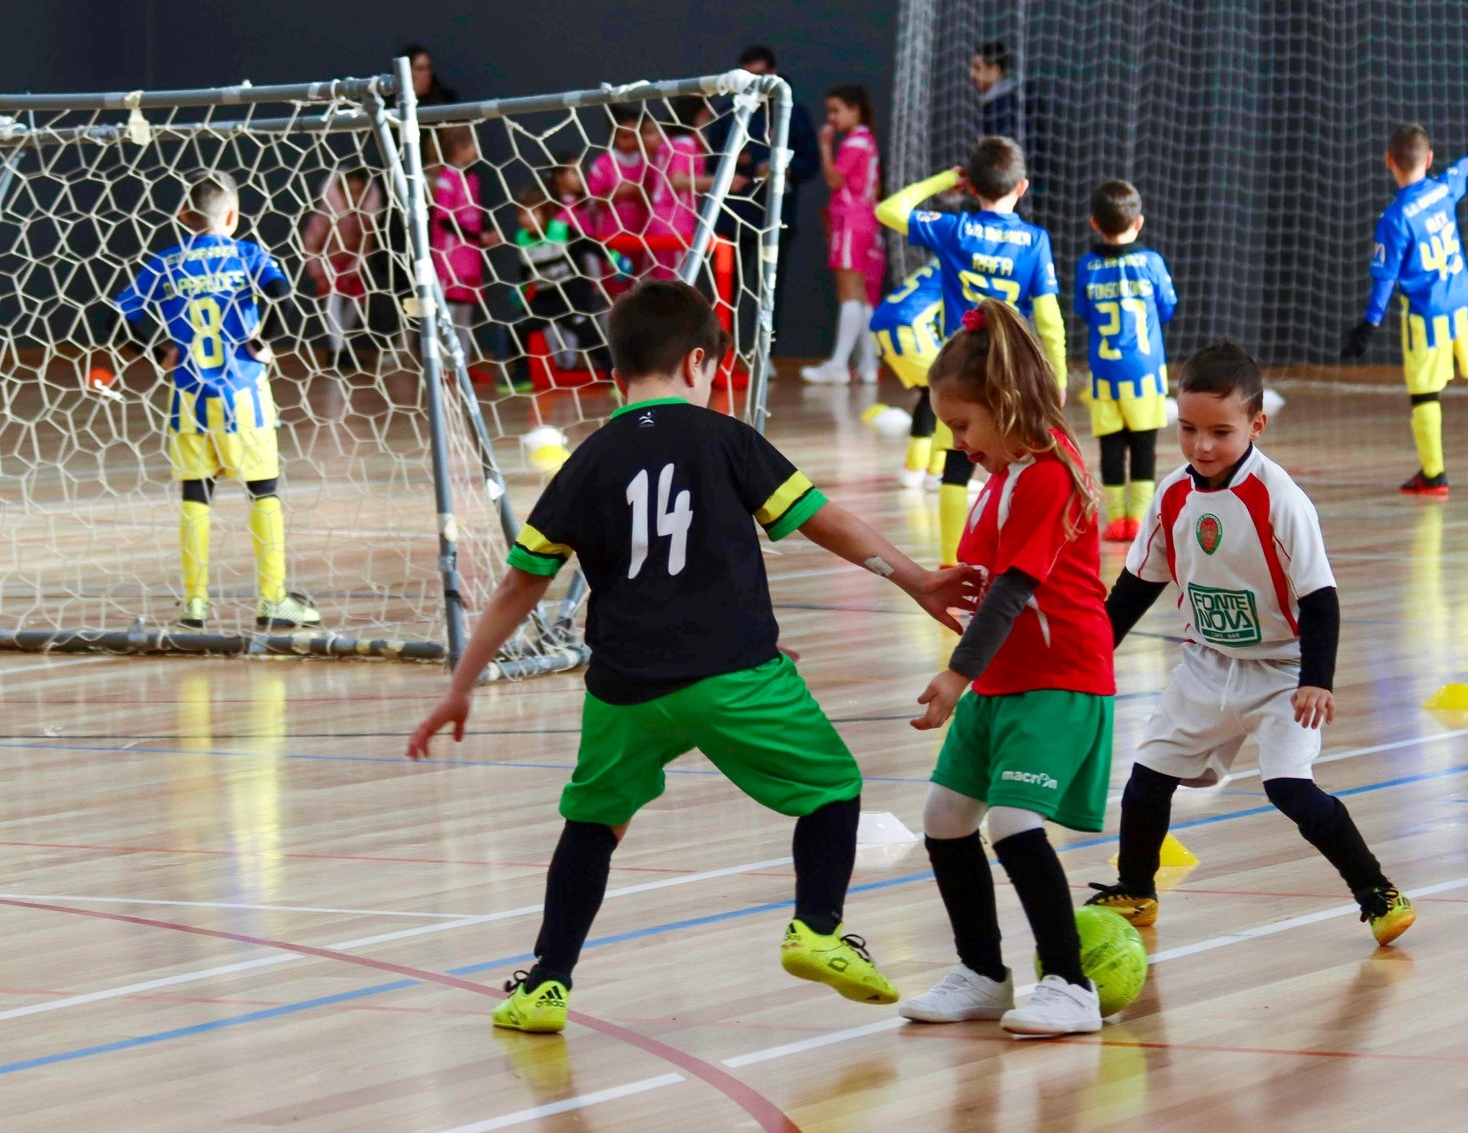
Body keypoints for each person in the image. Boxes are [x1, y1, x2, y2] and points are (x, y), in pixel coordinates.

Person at [405, 280, 978, 1034]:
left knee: (593, 822)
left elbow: (519, 585)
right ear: (701, 363)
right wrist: (914, 581)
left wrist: (460, 685)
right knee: (832, 789)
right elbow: (825, 522)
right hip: (735, 673)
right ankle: (814, 927)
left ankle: (545, 982)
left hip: (625, 688)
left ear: (616, 373)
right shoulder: (725, 439)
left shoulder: (588, 459)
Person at [1085, 343, 1416, 945]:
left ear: (1256, 425)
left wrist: (1317, 677)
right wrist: (1093, 653)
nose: (1201, 446)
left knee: (1289, 788)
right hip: (1205, 665)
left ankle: (1377, 891)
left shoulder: (1280, 499)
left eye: (1220, 431)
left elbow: (1319, 597)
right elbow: (1137, 584)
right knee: (1146, 778)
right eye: (1188, 430)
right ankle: (1137, 889)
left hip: (1284, 671)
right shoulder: (1171, 495)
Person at [899, 298, 1114, 1038]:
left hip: (1058, 678)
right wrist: (957, 578)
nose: (955, 443)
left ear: (1004, 403)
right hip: (1000, 679)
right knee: (945, 817)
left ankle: (1069, 984)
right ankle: (984, 973)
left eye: (961, 425)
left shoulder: (1051, 470)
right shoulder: (1002, 476)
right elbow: (993, 573)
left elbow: (1019, 588)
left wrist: (955, 673)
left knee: (1014, 821)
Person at [111, 171, 318, 632]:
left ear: (185, 217)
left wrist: (158, 349)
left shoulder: (165, 262)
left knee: (194, 495)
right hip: (244, 394)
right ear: (233, 214)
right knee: (262, 491)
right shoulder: (248, 255)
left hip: (188, 398)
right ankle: (272, 601)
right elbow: (283, 296)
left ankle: (195, 605)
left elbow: (114, 313)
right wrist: (267, 341)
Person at [877, 136, 1067, 568]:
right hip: (1010, 367)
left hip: (960, 366)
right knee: (1015, 465)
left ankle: (951, 562)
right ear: (1022, 188)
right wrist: (1054, 375)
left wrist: (947, 178)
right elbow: (1050, 319)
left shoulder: (954, 229)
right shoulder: (1035, 240)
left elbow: (888, 209)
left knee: (956, 469)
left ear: (972, 187)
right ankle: (1016, 558)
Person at [1341, 123, 1468, 497]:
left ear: (1388, 162)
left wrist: (1368, 325)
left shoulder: (1394, 220)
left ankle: (1434, 475)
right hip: (1463, 305)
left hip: (1426, 319)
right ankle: (1432, 475)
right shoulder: (1444, 188)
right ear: (1428, 160)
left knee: (1425, 395)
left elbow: (1385, 280)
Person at [1072, 180, 1177, 542]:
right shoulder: (1151, 262)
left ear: (1094, 223)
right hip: (1145, 373)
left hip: (1104, 376)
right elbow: (1167, 307)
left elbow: (1083, 312)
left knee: (1111, 447)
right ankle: (1141, 520)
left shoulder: (1087, 266)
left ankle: (1116, 521)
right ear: (1139, 222)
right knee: (1144, 446)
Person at [703, 45, 820, 343]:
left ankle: (763, 354)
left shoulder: (793, 113)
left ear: (773, 73)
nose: (754, 83)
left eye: (759, 75)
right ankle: (725, 351)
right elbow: (709, 163)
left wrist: (782, 169)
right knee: (727, 288)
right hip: (733, 220)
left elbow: (810, 162)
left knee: (769, 291)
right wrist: (734, 166)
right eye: (747, 77)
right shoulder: (728, 113)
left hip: (775, 218)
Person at [802, 85, 885, 386]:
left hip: (851, 220)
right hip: (865, 220)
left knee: (848, 292)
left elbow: (835, 179)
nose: (832, 118)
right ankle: (867, 364)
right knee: (861, 296)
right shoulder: (868, 141)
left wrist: (824, 146)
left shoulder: (855, 142)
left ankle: (838, 364)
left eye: (836, 110)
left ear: (855, 109)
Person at [504, 185, 612, 377]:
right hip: (546, 297)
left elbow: (590, 245)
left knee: (588, 334)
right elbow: (526, 270)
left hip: (572, 294)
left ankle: (613, 372)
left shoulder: (562, 231)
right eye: (521, 214)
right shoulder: (521, 238)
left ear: (545, 213)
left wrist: (615, 259)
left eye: (532, 213)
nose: (525, 219)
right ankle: (521, 375)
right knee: (517, 327)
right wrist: (520, 289)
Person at [870, 261, 947, 490]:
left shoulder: (943, 257)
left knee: (932, 395)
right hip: (909, 326)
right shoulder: (965, 261)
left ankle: (915, 469)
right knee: (952, 395)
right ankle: (937, 473)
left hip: (884, 322)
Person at [429, 126, 501, 370]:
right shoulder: (447, 179)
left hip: (470, 257)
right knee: (447, 312)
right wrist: (478, 236)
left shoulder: (471, 179)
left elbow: (475, 216)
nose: (477, 150)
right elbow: (444, 220)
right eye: (473, 144)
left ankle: (462, 365)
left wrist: (485, 236)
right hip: (450, 258)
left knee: (466, 315)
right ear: (460, 148)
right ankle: (441, 364)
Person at [300, 166, 383, 363]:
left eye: (359, 192)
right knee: (333, 303)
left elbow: (367, 244)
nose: (354, 197)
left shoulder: (366, 218)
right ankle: (338, 350)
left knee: (356, 303)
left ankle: (342, 345)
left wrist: (356, 266)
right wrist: (318, 271)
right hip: (329, 264)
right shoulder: (326, 215)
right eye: (350, 192)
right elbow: (311, 244)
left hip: (352, 266)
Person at [646, 96, 713, 281]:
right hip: (675, 221)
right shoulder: (684, 143)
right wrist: (720, 182)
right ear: (700, 115)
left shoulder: (669, 142)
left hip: (661, 218)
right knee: (676, 284)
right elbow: (677, 180)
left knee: (662, 281)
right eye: (706, 118)